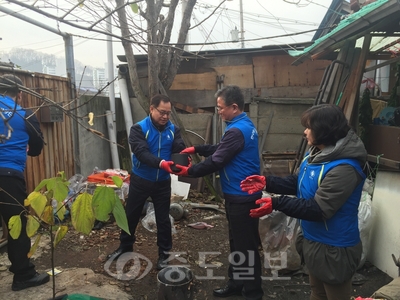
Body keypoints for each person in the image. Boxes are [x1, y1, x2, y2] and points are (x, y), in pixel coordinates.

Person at [240, 104, 367, 300]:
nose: (304, 131)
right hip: (312, 239)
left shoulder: (344, 168)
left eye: (309, 127)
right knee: (317, 292)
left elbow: (318, 209)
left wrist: (276, 203)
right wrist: (267, 182)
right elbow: (298, 182)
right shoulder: (314, 155)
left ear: (324, 129)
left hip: (334, 247)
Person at [173, 85, 264, 300]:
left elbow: (218, 159)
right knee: (238, 243)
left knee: (246, 247)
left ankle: (253, 293)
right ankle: (237, 283)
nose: (219, 112)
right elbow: (221, 148)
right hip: (239, 195)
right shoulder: (241, 125)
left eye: (221, 108)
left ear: (234, 107)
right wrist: (197, 149)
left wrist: (190, 170)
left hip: (243, 197)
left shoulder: (236, 130)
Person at [107, 94, 185, 270]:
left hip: (163, 182)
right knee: (131, 215)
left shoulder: (173, 130)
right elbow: (141, 152)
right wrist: (161, 163)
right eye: (161, 112)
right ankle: (125, 247)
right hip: (141, 179)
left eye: (168, 113)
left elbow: (179, 148)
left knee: (163, 219)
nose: (165, 116)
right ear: (151, 109)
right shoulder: (138, 129)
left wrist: (183, 158)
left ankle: (164, 255)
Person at [0, 74, 49, 291]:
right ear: (20, 94)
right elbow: (37, 147)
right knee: (16, 227)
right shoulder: (24, 114)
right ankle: (23, 276)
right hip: (9, 176)